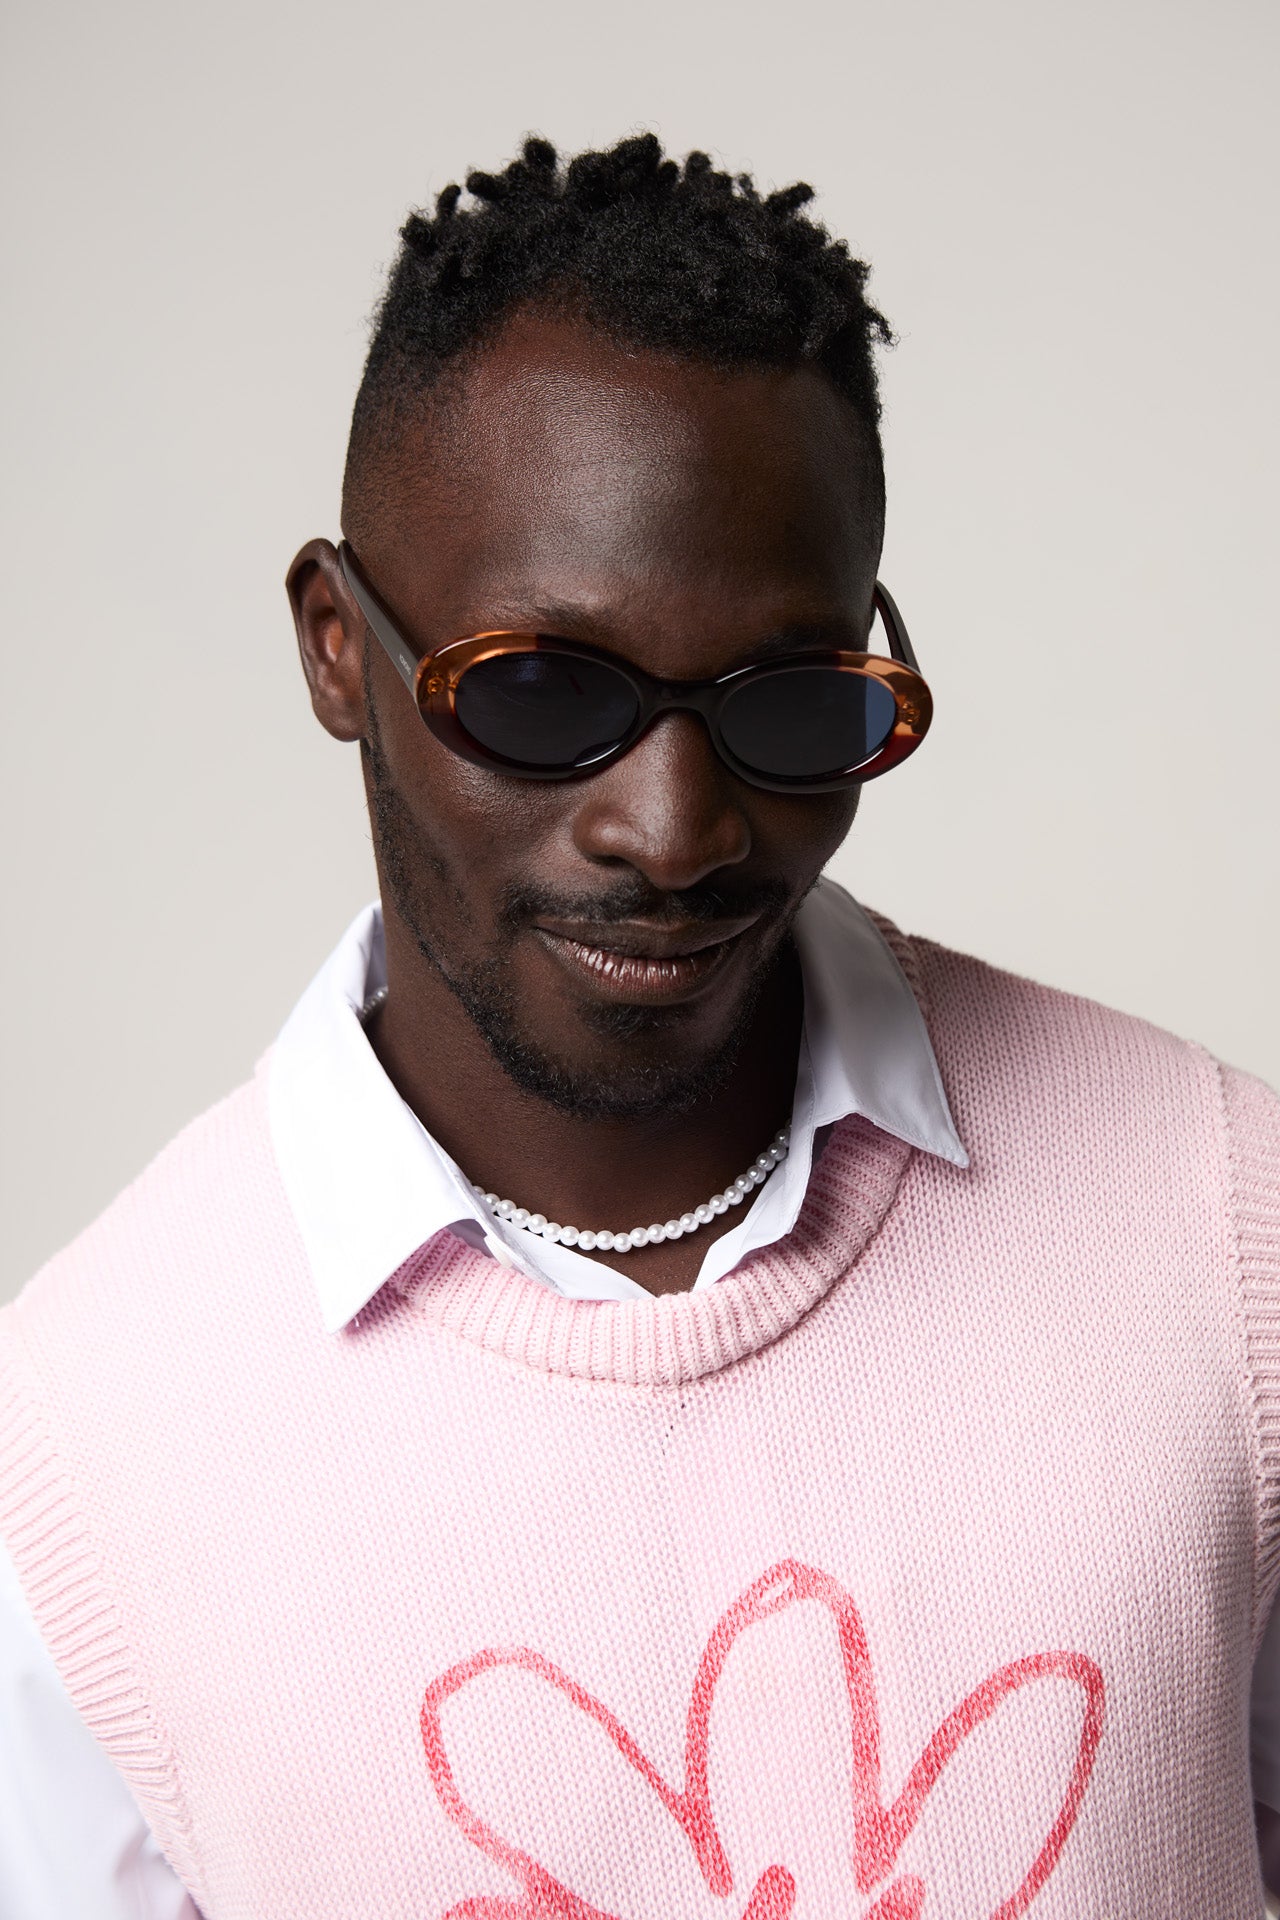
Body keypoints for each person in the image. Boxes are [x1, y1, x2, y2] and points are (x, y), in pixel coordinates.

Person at [1, 131, 1278, 1919]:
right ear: (337, 647)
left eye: (791, 704)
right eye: (541, 693)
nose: (674, 832)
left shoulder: (1223, 1225)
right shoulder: (76, 1454)